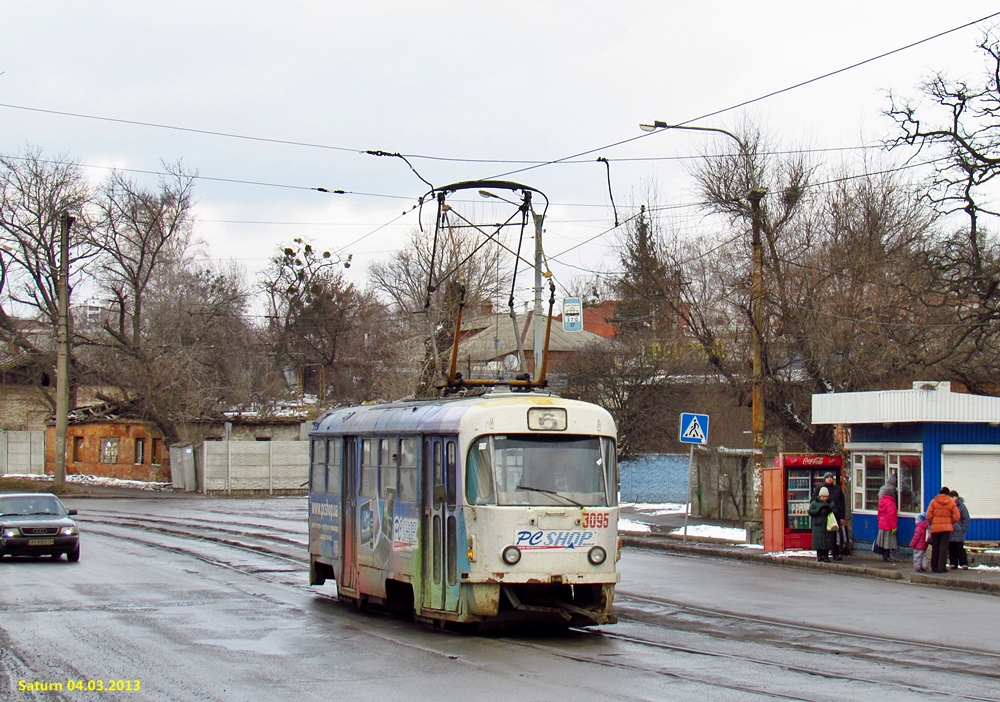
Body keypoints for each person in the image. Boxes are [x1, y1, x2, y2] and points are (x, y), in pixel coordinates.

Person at [926, 486, 961, 573]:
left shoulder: (933, 502)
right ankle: (941, 568)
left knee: (936, 547)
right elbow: (957, 516)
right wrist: (949, 522)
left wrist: (933, 522)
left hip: (935, 528)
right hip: (946, 528)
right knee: (944, 548)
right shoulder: (951, 503)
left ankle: (934, 567)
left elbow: (928, 515)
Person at [820, 471, 847, 560]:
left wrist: (842, 517)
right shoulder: (820, 489)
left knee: (836, 535)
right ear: (825, 479)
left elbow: (842, 503)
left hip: (836, 515)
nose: (830, 479)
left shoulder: (838, 489)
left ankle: (836, 553)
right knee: (826, 536)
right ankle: (825, 553)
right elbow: (814, 501)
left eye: (831, 477)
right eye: (828, 477)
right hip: (825, 516)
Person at [808, 486, 837, 563]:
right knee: (819, 542)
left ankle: (826, 556)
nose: (825, 498)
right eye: (823, 497)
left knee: (827, 542)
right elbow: (810, 512)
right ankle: (819, 556)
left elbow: (835, 511)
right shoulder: (815, 503)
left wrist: (829, 511)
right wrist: (819, 511)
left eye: (826, 497)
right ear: (820, 496)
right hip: (818, 525)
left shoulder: (831, 503)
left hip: (828, 525)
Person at [874, 476, 899, 562]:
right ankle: (887, 557)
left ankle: (885, 556)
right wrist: (894, 527)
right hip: (888, 525)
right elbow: (891, 516)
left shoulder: (881, 502)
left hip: (882, 524)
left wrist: (879, 522)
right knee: (888, 542)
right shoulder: (891, 504)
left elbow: (879, 514)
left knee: (883, 542)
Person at [948, 490, 971, 570]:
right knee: (951, 547)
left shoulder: (961, 506)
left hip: (958, 531)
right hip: (950, 530)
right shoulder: (949, 506)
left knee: (959, 547)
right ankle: (953, 563)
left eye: (951, 497)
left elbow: (966, 519)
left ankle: (964, 563)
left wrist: (962, 529)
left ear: (955, 497)